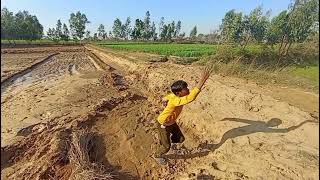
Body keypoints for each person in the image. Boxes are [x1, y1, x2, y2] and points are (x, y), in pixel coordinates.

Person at [153, 66, 212, 165]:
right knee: (166, 147)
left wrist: (163, 99)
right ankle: (157, 155)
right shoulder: (176, 100)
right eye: (185, 89)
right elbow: (190, 98)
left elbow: (168, 96)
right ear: (178, 93)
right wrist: (201, 81)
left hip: (172, 122)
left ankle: (167, 142)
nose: (188, 90)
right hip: (163, 124)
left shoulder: (173, 96)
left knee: (180, 139)